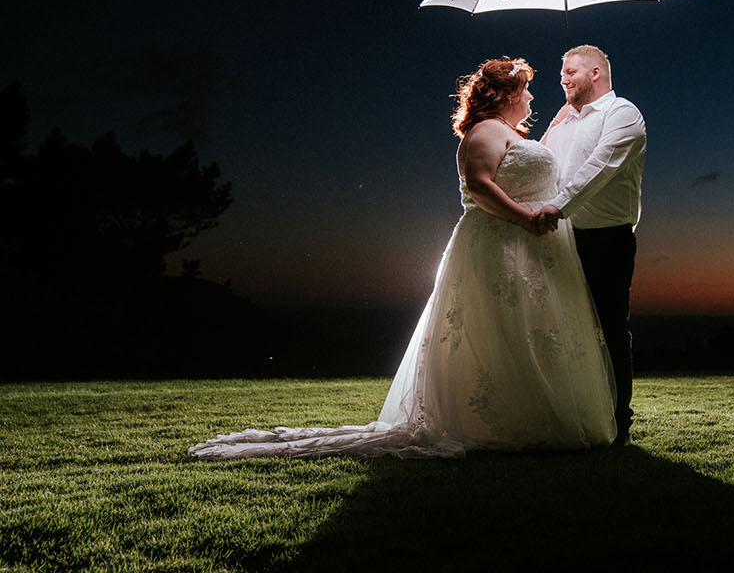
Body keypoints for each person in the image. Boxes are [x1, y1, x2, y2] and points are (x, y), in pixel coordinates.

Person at [189, 58, 617, 459]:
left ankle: (536, 413)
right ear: (505, 95)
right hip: (503, 245)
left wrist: (562, 127)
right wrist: (525, 218)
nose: (532, 97)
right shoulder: (485, 131)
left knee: (531, 331)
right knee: (504, 331)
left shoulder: (510, 133)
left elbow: (529, 168)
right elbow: (481, 185)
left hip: (529, 249)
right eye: (525, 90)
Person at [535, 45, 645, 445]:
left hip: (607, 239)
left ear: (595, 73)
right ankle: (573, 414)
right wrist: (554, 123)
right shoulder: (564, 120)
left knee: (609, 328)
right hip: (558, 238)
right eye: (562, 73)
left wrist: (557, 206)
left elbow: (601, 165)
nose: (562, 78)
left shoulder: (623, 113)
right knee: (561, 327)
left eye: (570, 71)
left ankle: (618, 421)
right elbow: (539, 165)